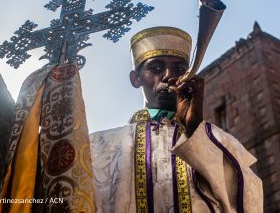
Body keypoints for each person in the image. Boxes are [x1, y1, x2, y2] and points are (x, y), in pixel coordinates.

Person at [90, 26, 263, 212]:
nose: (169, 76)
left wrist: (196, 132)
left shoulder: (222, 141)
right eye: (155, 68)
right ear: (136, 79)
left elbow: (249, 200)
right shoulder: (99, 145)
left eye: (179, 69)